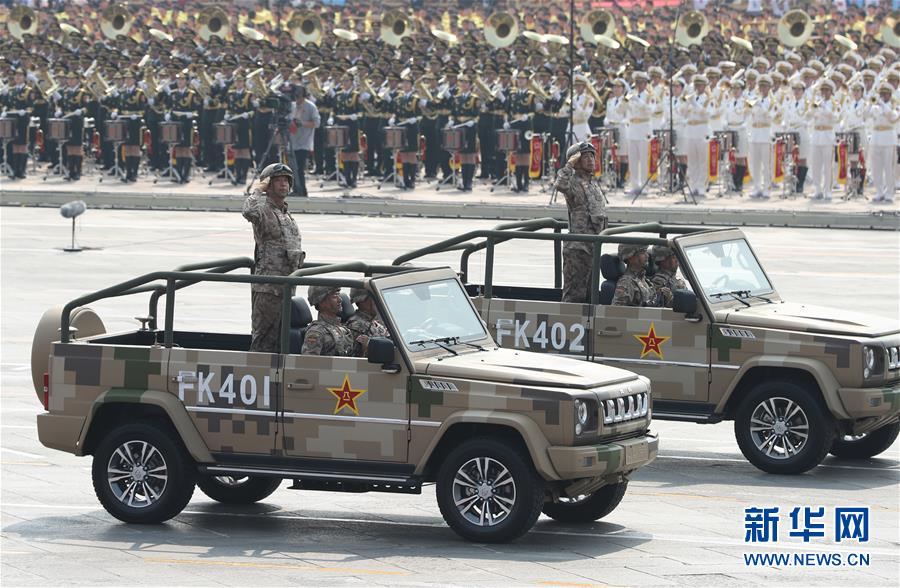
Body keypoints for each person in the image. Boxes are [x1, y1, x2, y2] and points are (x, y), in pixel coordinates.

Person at [242, 163, 304, 353]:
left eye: (286, 180)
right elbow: (248, 211)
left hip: (287, 286)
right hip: (268, 289)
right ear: (268, 185)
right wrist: (258, 191)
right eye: (277, 180)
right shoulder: (262, 210)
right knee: (263, 340)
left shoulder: (286, 215)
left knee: (281, 340)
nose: (283, 184)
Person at [554, 141, 607, 303]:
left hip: (593, 247)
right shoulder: (573, 182)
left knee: (590, 295)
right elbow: (560, 184)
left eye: (592, 155)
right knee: (574, 295)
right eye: (585, 156)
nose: (591, 159)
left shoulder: (592, 183)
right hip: (578, 249)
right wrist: (569, 164)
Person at [302, 285, 366, 356]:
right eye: (335, 296)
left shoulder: (342, 328)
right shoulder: (316, 332)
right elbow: (308, 363)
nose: (340, 300)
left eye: (338, 295)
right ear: (321, 302)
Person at [288, 86, 320, 198]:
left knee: (299, 168)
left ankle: (302, 190)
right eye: (296, 97)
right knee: (291, 168)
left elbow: (317, 123)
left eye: (299, 97)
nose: (298, 99)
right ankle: (295, 189)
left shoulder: (311, 107)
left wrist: (302, 123)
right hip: (292, 141)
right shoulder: (292, 106)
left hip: (304, 141)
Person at [345, 287, 390, 356]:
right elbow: (355, 359)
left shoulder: (373, 323)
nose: (378, 301)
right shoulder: (356, 325)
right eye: (373, 298)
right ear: (362, 301)